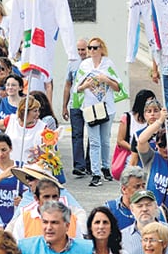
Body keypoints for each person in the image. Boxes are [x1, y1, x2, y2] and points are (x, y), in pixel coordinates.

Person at [74, 36, 123, 186]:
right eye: (90, 47)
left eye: (95, 47)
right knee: (94, 141)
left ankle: (105, 167)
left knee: (105, 140)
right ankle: (95, 173)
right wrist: (86, 85)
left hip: (107, 107)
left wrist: (106, 80)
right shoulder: (84, 65)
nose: (92, 50)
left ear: (101, 49)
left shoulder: (108, 64)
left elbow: (118, 86)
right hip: (90, 108)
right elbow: (77, 88)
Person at [119, 189, 168, 254]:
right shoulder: (123, 237)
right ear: (132, 209)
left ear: (156, 207)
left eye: (148, 205)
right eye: (139, 206)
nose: (144, 209)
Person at [61, 38, 90, 176]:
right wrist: (64, 106)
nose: (80, 52)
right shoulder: (72, 63)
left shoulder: (94, 63)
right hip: (75, 103)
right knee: (77, 134)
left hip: (90, 104)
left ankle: (90, 164)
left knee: (93, 135)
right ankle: (79, 165)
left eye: (83, 49)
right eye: (78, 50)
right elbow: (67, 85)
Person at [105, 166, 147, 230]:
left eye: (143, 186)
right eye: (137, 187)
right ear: (124, 189)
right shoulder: (110, 209)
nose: (142, 190)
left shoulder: (151, 209)